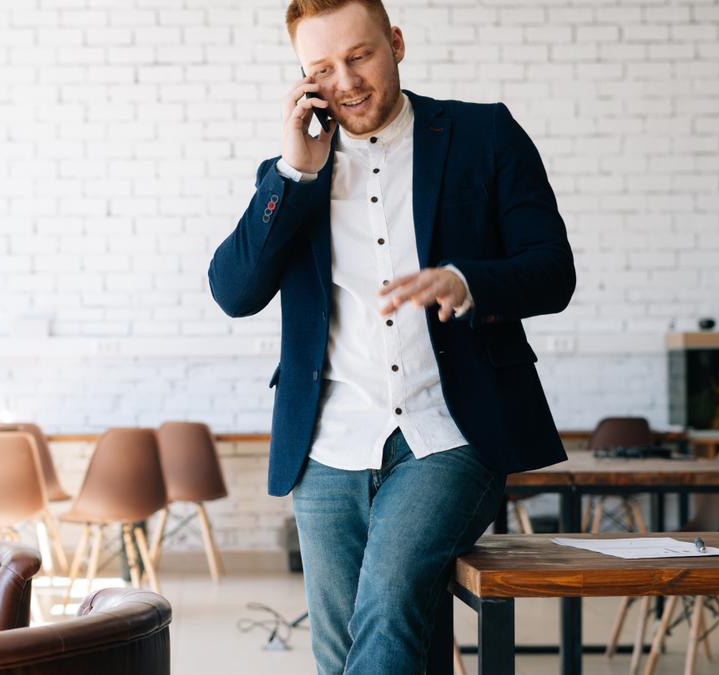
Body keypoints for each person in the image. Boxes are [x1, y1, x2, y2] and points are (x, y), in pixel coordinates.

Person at [207, 0, 576, 672]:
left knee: (387, 599)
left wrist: (468, 280)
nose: (344, 80)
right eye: (321, 68)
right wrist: (294, 174)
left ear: (396, 42)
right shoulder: (291, 174)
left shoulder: (484, 135)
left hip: (450, 431)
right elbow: (233, 291)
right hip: (328, 444)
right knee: (346, 646)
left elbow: (553, 270)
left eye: (359, 56)